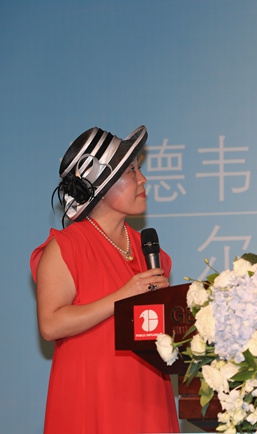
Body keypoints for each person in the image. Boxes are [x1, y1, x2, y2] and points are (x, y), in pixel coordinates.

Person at [31, 126, 180, 433]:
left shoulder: (151, 252)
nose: (143, 179)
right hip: (91, 396)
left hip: (149, 394)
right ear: (101, 184)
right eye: (131, 171)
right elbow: (51, 324)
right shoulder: (67, 247)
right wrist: (122, 296)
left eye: (139, 169)